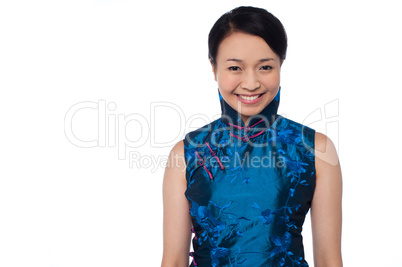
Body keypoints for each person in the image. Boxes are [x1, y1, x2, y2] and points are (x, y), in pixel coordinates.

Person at [161, 6, 342, 267]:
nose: (251, 83)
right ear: (214, 68)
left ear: (281, 64)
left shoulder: (316, 150)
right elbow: (173, 261)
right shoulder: (187, 153)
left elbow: (329, 261)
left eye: (265, 67)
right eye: (235, 68)